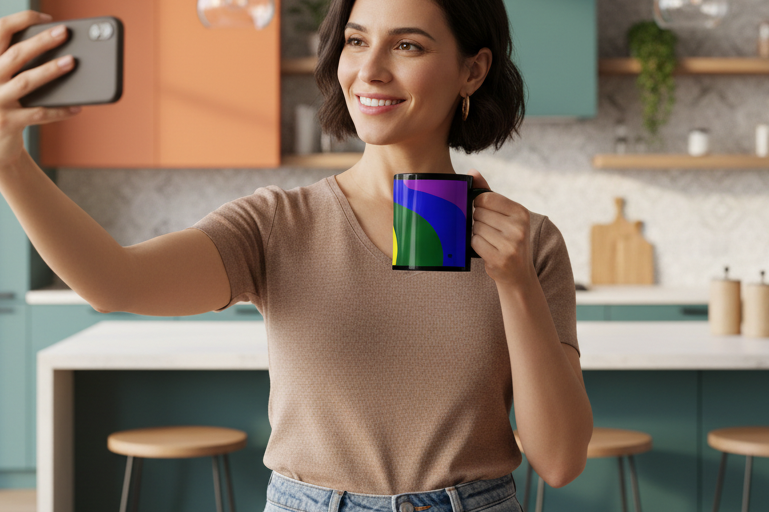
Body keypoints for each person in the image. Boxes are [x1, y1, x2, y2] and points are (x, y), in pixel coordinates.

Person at [0, 0, 592, 511]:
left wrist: (514, 282)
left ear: (473, 70)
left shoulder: (528, 243)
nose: (371, 70)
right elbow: (115, 283)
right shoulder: (278, 224)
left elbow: (560, 461)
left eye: (407, 44)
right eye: (357, 41)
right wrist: (11, 165)